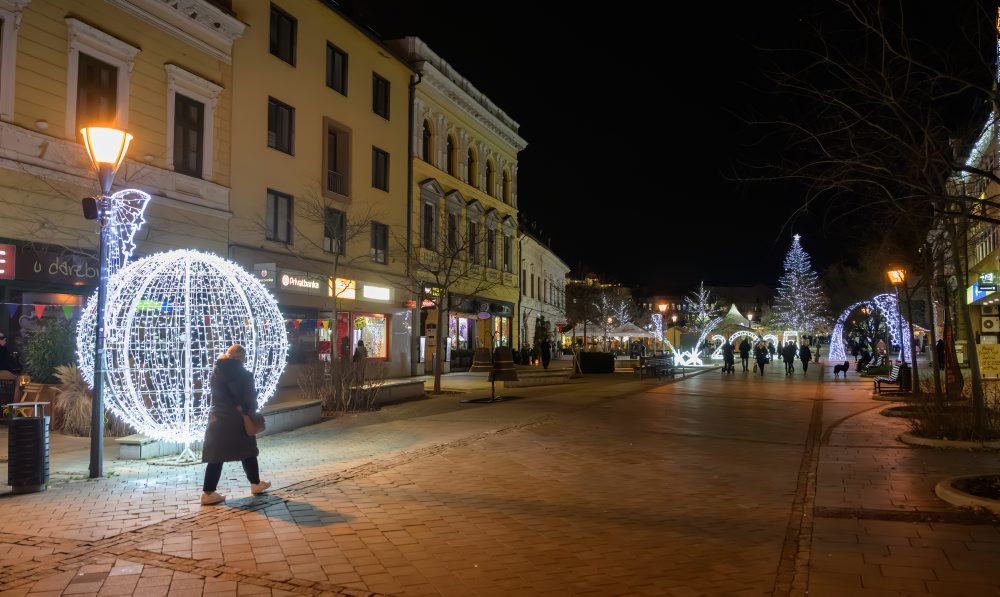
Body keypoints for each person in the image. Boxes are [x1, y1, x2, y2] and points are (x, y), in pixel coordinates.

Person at [201, 344, 270, 505]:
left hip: (218, 419)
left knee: (216, 456)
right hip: (238, 420)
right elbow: (250, 399)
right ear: (242, 357)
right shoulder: (244, 375)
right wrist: (249, 408)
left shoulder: (216, 372)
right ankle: (255, 483)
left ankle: (208, 492)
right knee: (248, 450)